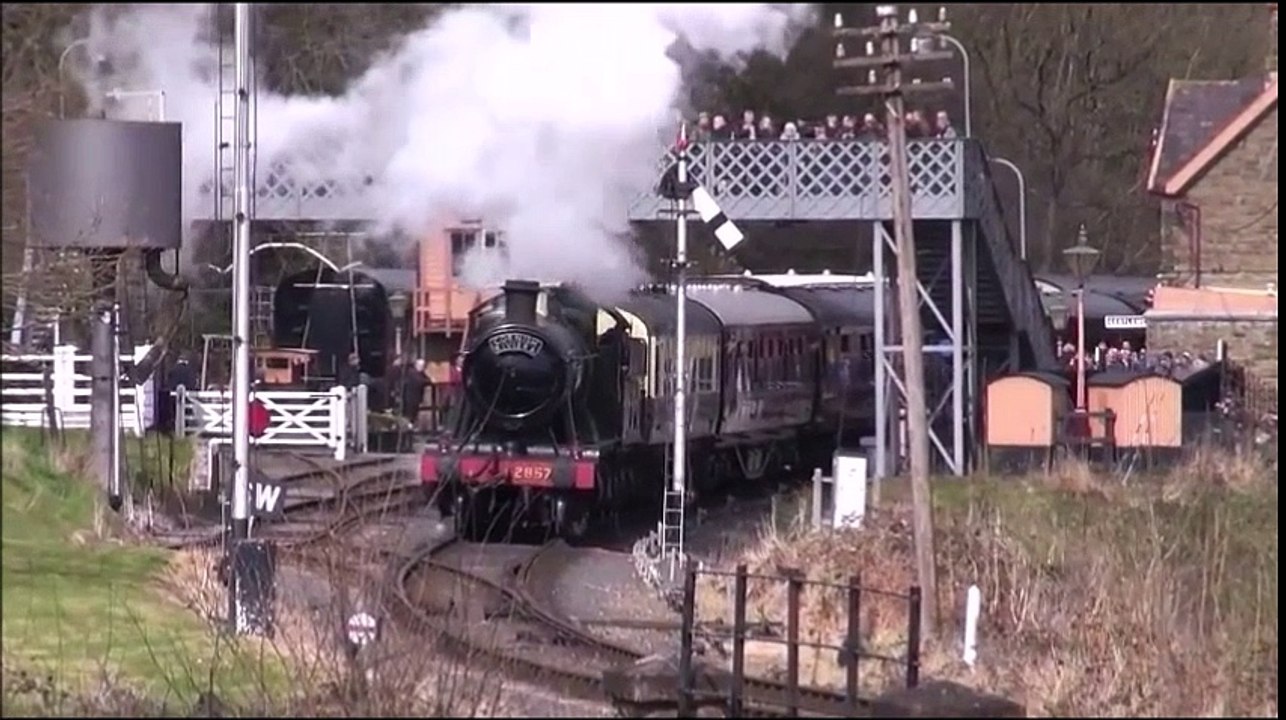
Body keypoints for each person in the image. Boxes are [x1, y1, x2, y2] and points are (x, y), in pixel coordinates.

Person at [402, 359, 428, 426]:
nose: (422, 367)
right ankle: (408, 428)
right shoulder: (412, 373)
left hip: (416, 397)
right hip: (410, 397)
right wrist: (426, 381)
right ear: (416, 365)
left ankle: (411, 426)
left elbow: (428, 380)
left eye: (423, 366)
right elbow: (420, 382)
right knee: (409, 415)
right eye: (421, 365)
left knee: (414, 414)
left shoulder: (421, 373)